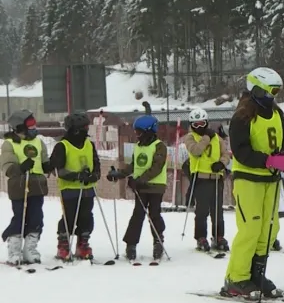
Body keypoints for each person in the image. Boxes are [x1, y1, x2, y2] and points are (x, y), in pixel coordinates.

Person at [221, 67, 284, 299]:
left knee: (269, 228)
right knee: (251, 228)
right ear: (255, 89)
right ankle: (237, 277)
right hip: (249, 180)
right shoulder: (242, 117)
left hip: (271, 181)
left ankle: (256, 274)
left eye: (276, 92)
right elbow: (241, 151)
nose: (272, 97)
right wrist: (268, 160)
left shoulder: (276, 113)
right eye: (269, 91)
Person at [107, 115, 168, 262]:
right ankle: (131, 244)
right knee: (138, 215)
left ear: (148, 131)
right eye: (136, 132)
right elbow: (134, 165)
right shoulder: (138, 146)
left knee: (154, 214)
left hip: (155, 187)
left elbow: (156, 168)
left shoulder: (159, 146)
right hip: (141, 187)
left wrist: (139, 180)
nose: (137, 135)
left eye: (139, 132)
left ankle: (158, 240)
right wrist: (120, 174)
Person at [1, 111, 52, 265]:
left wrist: (50, 165)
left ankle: (30, 249)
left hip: (37, 185)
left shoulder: (38, 142)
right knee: (20, 217)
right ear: (19, 126)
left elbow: (44, 162)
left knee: (36, 217)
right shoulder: (9, 143)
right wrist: (21, 167)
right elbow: (7, 167)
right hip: (19, 185)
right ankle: (14, 250)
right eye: (30, 124)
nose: (33, 127)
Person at [49, 113, 101, 261]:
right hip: (70, 189)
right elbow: (57, 169)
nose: (86, 130)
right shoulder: (62, 146)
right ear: (75, 129)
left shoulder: (89, 144)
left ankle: (83, 244)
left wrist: (95, 175)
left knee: (86, 217)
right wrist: (76, 176)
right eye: (84, 127)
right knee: (69, 217)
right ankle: (63, 245)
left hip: (87, 189)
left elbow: (96, 163)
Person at [182, 108, 230, 253]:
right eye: (195, 125)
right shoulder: (190, 138)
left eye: (202, 124)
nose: (199, 127)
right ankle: (201, 237)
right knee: (202, 211)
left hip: (216, 178)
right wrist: (206, 138)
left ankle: (218, 236)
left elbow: (225, 154)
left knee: (217, 211)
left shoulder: (217, 138)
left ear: (207, 122)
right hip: (200, 178)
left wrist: (221, 163)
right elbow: (196, 151)